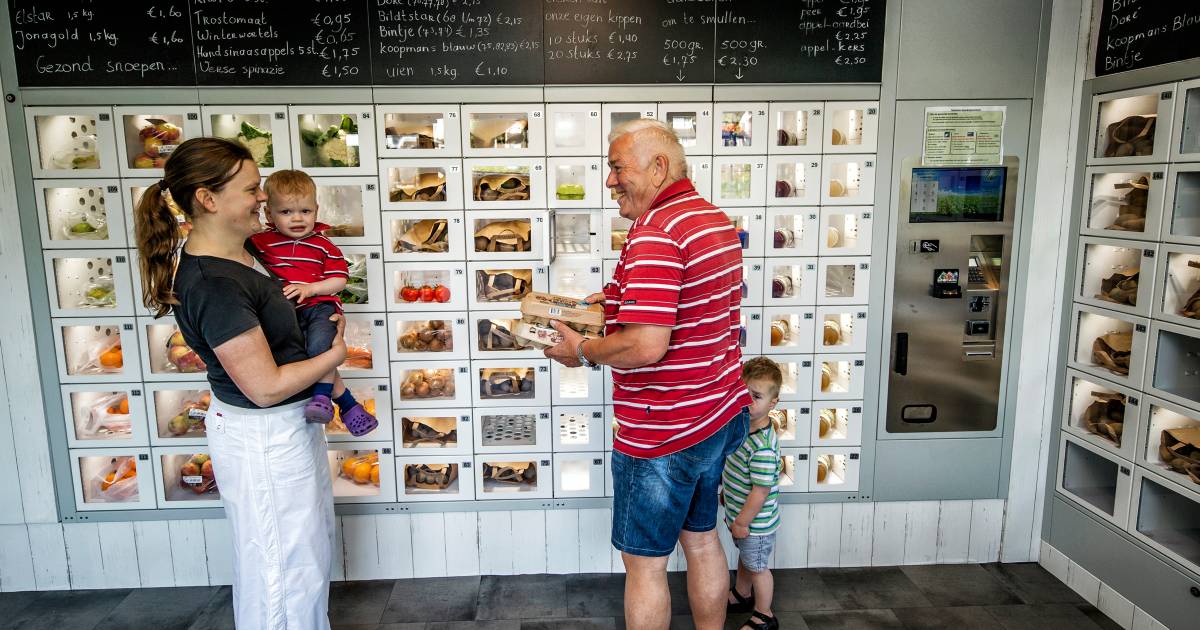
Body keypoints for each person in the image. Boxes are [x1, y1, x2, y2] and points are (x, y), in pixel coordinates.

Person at [544, 118, 752, 630]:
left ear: (658, 167)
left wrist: (584, 350)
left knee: (645, 564)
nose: (610, 181)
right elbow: (688, 303)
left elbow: (646, 344)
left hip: (664, 433)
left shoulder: (657, 232)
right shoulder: (709, 219)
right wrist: (611, 300)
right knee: (702, 540)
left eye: (617, 168)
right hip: (717, 415)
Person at [135, 138, 343, 630]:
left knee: (303, 562)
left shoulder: (247, 254)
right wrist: (333, 355)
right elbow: (265, 387)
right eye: (252, 190)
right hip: (265, 436)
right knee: (281, 573)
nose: (263, 200)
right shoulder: (213, 283)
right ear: (208, 199)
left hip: (284, 430)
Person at [248, 170, 377, 435]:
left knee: (320, 346)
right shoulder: (258, 242)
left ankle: (321, 397)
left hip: (320, 307)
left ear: (316, 210)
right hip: (285, 311)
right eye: (286, 212)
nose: (297, 218)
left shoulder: (324, 245)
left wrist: (311, 288)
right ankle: (348, 404)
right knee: (302, 354)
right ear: (269, 215)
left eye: (305, 211)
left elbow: (339, 280)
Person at [722, 357, 784, 630]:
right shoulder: (745, 427)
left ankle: (764, 614)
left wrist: (742, 522)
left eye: (756, 396)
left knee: (758, 566)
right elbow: (740, 474)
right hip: (743, 519)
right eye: (744, 392)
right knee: (746, 559)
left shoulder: (763, 448)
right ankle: (742, 594)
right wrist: (728, 493)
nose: (747, 400)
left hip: (754, 524)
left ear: (773, 403)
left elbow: (760, 492)